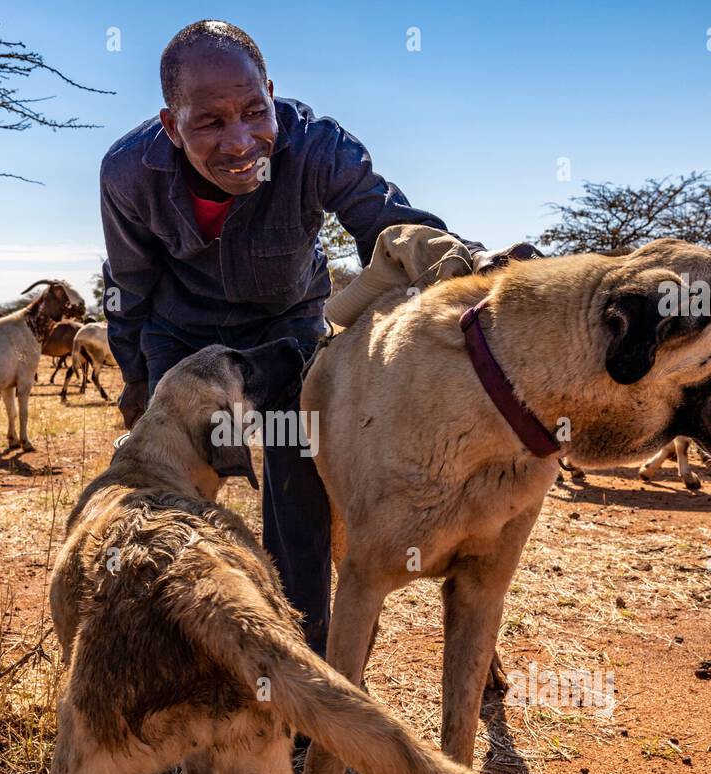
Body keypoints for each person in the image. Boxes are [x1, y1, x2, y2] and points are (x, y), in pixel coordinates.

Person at [99, 19, 490, 656]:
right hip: (182, 339)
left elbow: (388, 222)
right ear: (172, 125)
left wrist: (467, 263)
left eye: (256, 112)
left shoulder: (315, 146)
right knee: (166, 493)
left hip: (287, 332)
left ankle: (300, 666)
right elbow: (130, 283)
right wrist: (138, 384)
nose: (241, 140)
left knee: (297, 487)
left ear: (272, 95)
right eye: (211, 123)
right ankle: (172, 651)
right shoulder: (127, 173)